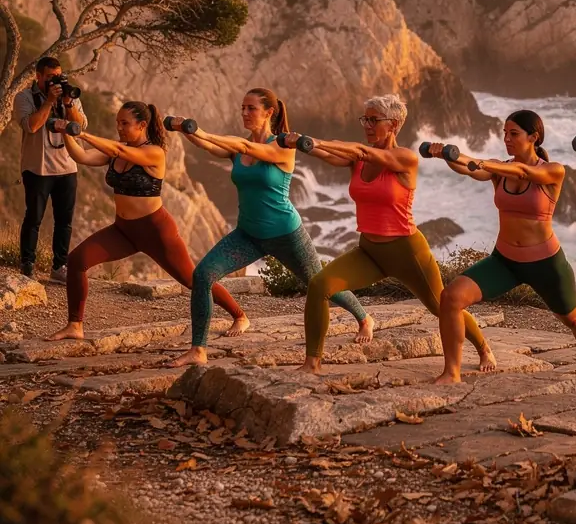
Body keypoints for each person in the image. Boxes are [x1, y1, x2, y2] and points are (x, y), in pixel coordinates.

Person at [285, 94, 497, 375]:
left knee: (441, 305)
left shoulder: (405, 158)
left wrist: (317, 141)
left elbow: (363, 152)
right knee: (319, 285)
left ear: (394, 124)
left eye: (374, 120)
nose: (367, 125)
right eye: (365, 119)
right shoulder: (357, 160)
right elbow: (329, 153)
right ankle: (312, 363)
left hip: (407, 252)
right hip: (369, 250)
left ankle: (483, 347)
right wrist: (301, 143)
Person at [165, 88, 371, 367]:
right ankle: (198, 349)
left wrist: (200, 130)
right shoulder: (237, 148)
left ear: (269, 112)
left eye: (251, 108)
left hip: (286, 234)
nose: (245, 113)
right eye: (242, 108)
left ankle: (363, 317)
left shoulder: (281, 148)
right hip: (247, 235)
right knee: (202, 275)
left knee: (319, 282)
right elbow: (209, 146)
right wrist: (186, 129)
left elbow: (246, 148)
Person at [43, 102, 248, 341]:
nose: (119, 128)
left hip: (155, 231)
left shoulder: (154, 152)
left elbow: (119, 152)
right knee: (77, 261)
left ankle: (240, 315)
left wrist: (82, 132)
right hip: (123, 230)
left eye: (125, 123)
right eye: (118, 123)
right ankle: (75, 325)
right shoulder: (117, 148)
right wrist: (67, 133)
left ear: (142, 125)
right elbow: (82, 156)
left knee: (192, 279)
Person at [429, 110, 576, 384]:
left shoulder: (553, 170)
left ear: (534, 137)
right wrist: (447, 156)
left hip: (546, 264)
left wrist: (477, 161)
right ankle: (451, 372)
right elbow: (468, 168)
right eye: (504, 133)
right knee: (451, 297)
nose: (506, 139)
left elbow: (523, 170)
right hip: (505, 261)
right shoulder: (499, 170)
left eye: (513, 134)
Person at [13, 56, 88, 282]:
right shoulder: (24, 97)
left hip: (67, 165)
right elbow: (32, 125)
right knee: (33, 217)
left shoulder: (69, 96)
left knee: (64, 220)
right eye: (50, 77)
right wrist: (47, 101)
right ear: (38, 76)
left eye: (58, 76)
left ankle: (60, 266)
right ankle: (27, 265)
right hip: (38, 168)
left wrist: (66, 103)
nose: (55, 81)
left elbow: (80, 126)